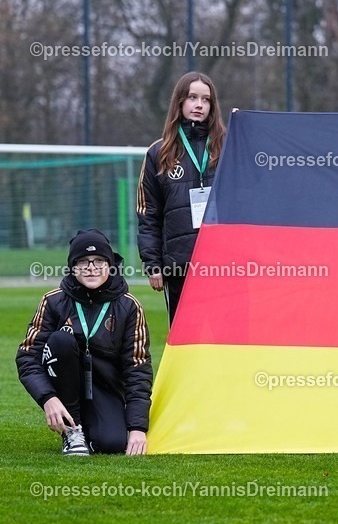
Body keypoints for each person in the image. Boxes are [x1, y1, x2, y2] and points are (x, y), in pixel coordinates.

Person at [16, 229, 152, 456]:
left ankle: (91, 427)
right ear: (73, 266)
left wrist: (137, 427)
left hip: (105, 387)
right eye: (83, 261)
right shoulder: (53, 301)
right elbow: (27, 356)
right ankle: (73, 431)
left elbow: (137, 369)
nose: (91, 268)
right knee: (61, 340)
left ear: (110, 265)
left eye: (99, 261)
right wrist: (48, 398)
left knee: (111, 444)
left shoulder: (129, 306)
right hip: (64, 384)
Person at [137, 71, 227, 324]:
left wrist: (245, 130)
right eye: (192, 97)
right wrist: (152, 263)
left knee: (225, 337)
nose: (199, 105)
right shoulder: (159, 152)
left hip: (224, 264)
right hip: (179, 265)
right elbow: (148, 214)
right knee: (186, 338)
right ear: (179, 102)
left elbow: (250, 196)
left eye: (206, 100)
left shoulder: (228, 147)